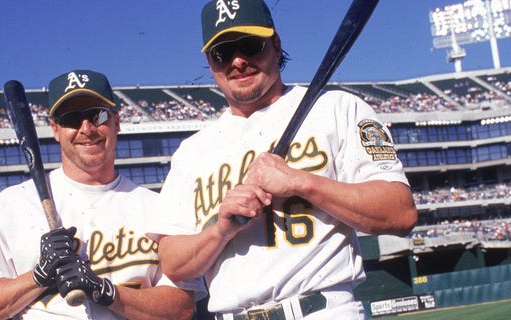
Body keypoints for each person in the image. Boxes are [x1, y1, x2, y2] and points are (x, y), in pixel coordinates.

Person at [148, 0, 419, 319]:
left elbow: (399, 213)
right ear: (210, 63)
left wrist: (300, 181)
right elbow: (173, 262)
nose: (237, 61)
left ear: (276, 46)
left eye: (249, 45)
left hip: (318, 310)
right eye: (223, 53)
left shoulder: (334, 108)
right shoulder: (192, 151)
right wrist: (220, 229)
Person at [0, 69, 205, 320]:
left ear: (116, 122)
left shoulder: (156, 207)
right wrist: (38, 276)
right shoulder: (14, 203)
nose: (86, 128)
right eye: (71, 119)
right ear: (55, 129)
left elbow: (182, 307)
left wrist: (106, 292)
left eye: (97, 115)